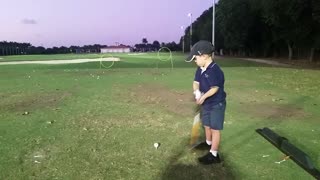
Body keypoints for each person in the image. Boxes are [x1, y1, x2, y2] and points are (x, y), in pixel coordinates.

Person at [186, 40, 227, 164]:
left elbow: (214, 88)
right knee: (207, 125)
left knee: (215, 129)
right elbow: (196, 82)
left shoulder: (215, 71)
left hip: (216, 104)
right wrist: (196, 92)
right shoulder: (200, 68)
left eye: (195, 58)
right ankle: (208, 143)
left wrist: (203, 97)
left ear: (204, 56)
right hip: (207, 104)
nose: (194, 61)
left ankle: (214, 154)